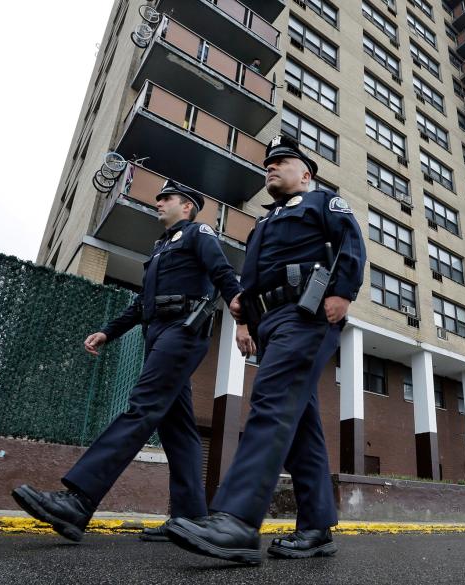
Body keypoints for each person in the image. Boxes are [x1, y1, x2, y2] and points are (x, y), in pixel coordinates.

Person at [165, 135, 366, 564]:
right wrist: (242, 316)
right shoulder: (265, 222)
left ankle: (237, 521)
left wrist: (344, 292)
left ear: (305, 173)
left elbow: (351, 244)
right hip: (271, 323)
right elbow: (252, 276)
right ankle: (315, 527)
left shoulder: (322, 203)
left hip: (308, 314)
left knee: (271, 402)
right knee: (302, 424)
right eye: (268, 165)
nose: (270, 168)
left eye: (281, 162)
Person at [12, 181, 243, 542]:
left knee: (142, 406)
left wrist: (239, 311)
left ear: (187, 206)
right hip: (159, 334)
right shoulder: (159, 249)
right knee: (177, 429)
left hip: (183, 331)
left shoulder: (198, 233)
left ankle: (79, 499)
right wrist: (108, 331)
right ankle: (192, 518)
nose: (158, 203)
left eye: (166, 198)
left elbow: (222, 272)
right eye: (159, 198)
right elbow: (141, 304)